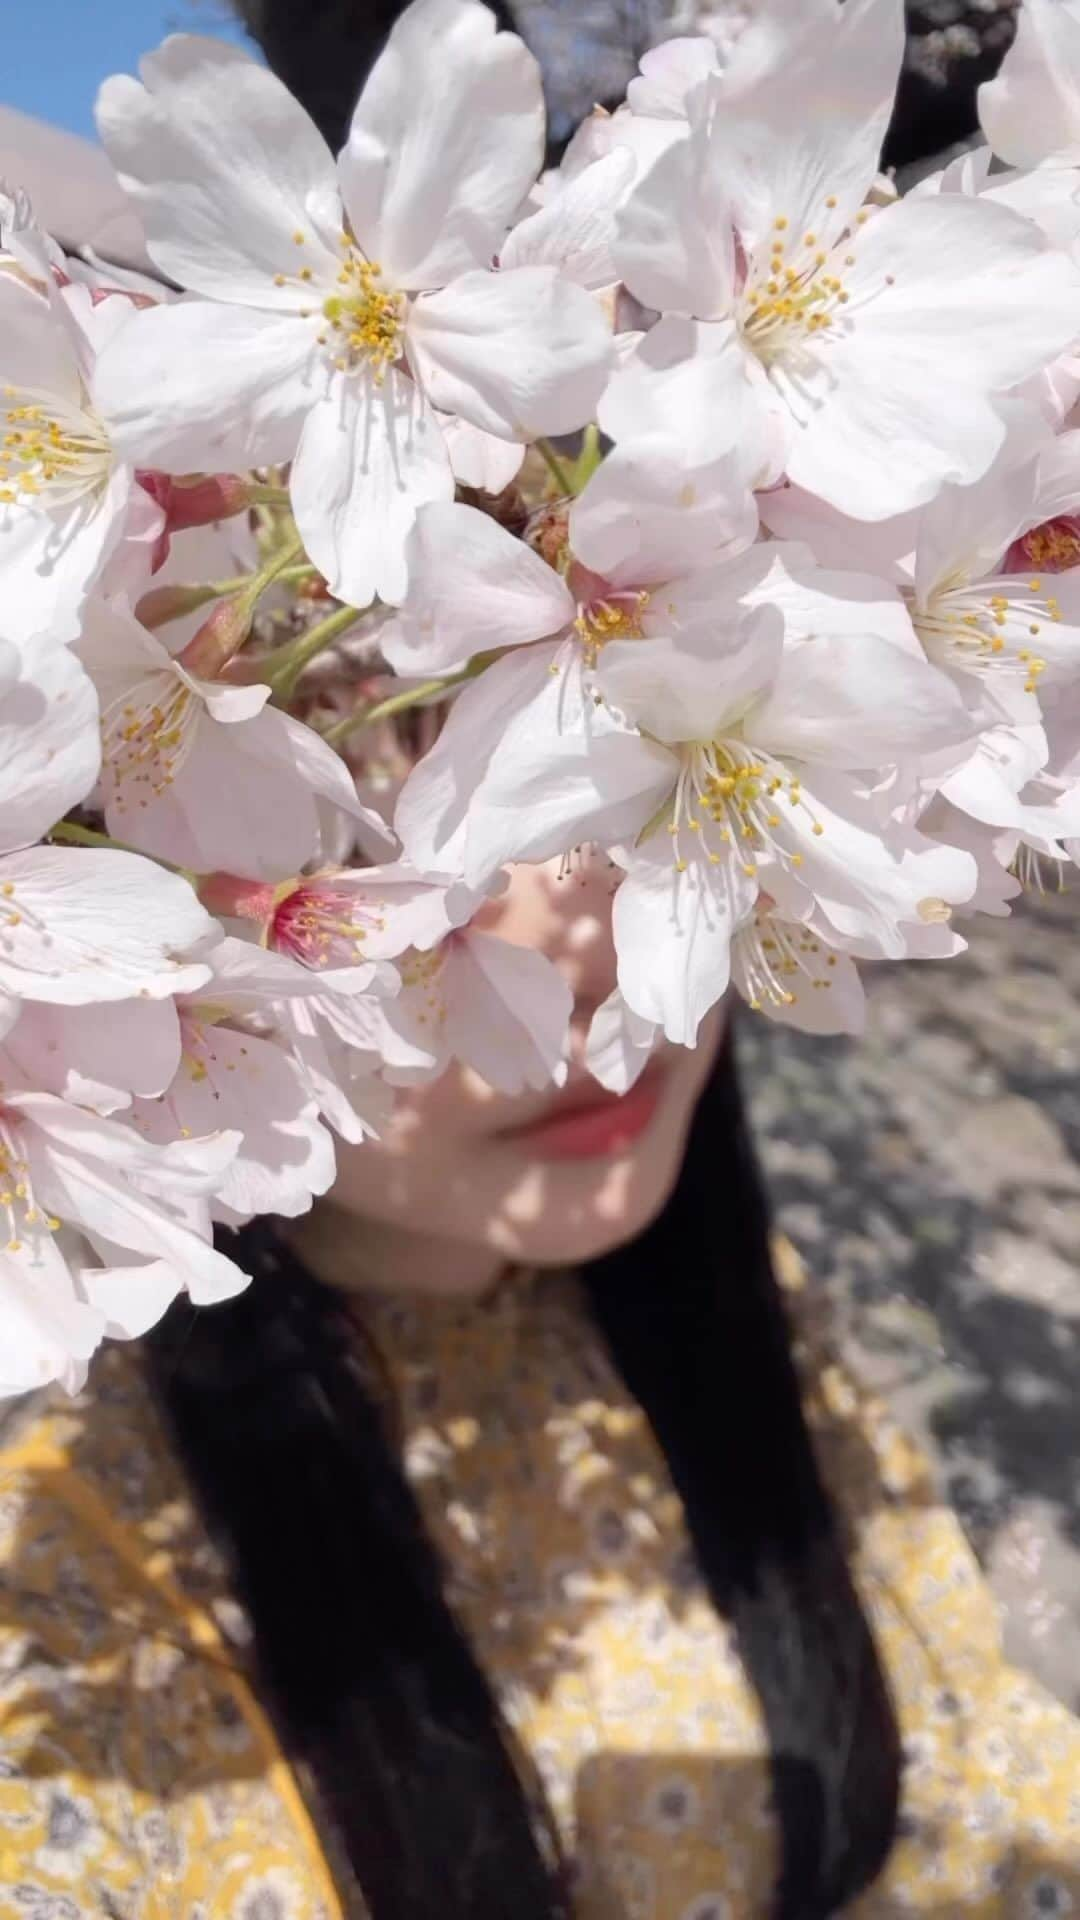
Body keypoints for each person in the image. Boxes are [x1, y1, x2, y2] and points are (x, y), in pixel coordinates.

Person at [2, 8, 1080, 1920]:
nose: (583, 945)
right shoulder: (73, 1574)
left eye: (633, 814)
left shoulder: (748, 1320)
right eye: (415, 829)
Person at [1, 847, 1080, 1919]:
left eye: (630, 818)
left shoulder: (732, 1302)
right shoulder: (70, 1620)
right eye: (377, 853)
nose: (603, 958)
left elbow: (971, 1749)